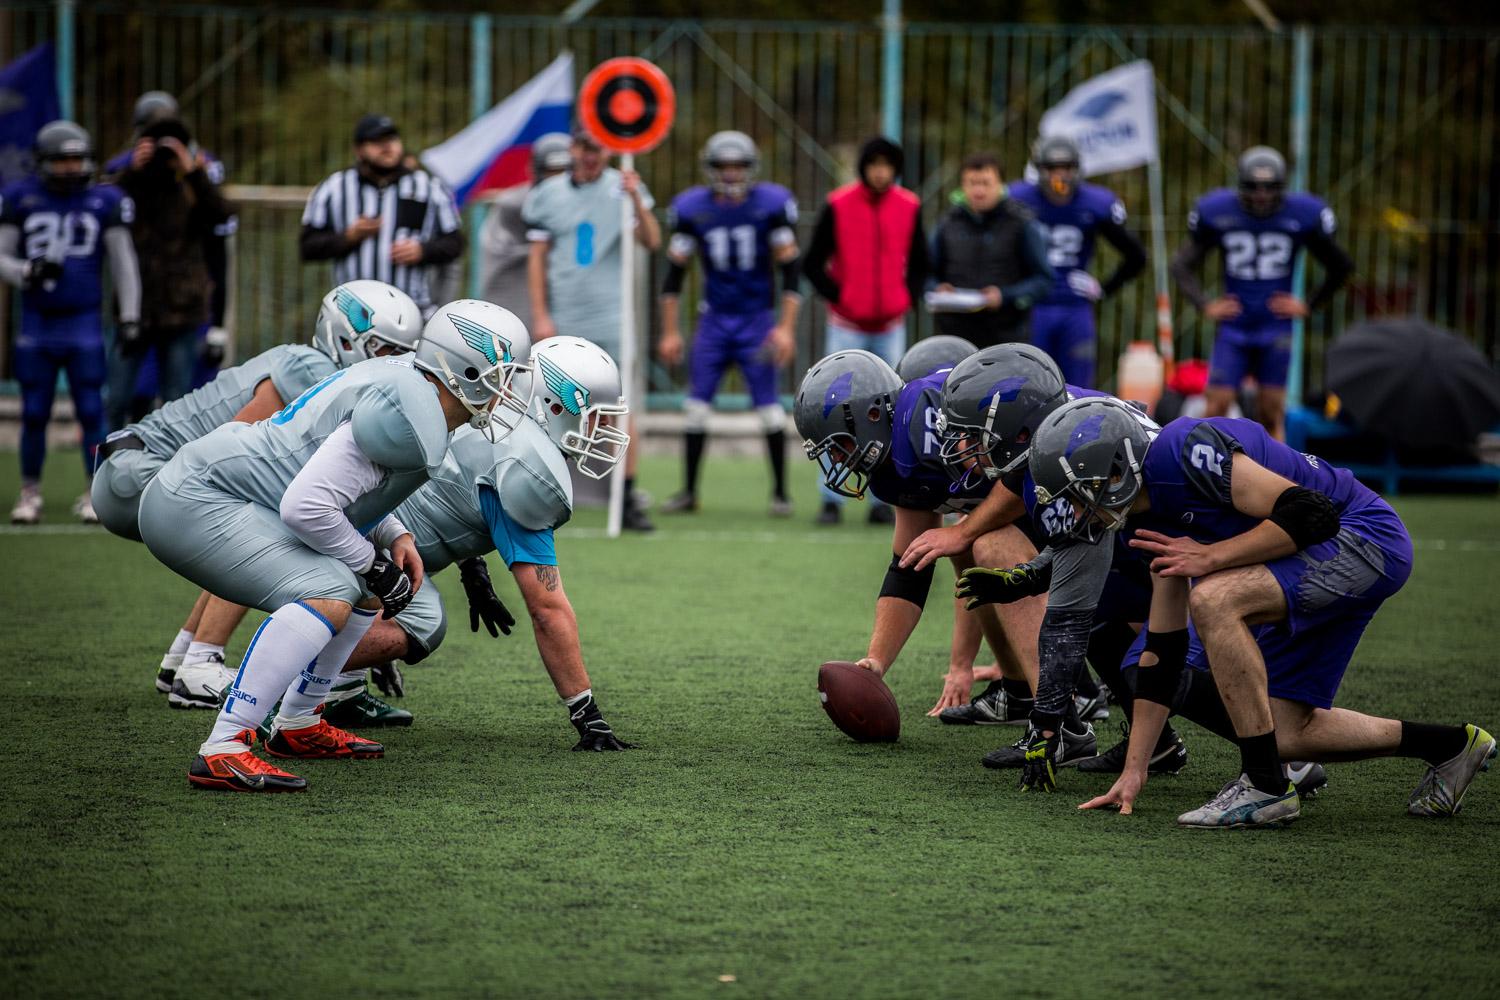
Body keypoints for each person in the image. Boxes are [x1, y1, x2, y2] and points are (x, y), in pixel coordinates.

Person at [1030, 398, 1494, 826]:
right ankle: (1451, 745)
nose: (1072, 511)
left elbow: (1311, 514)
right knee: (1285, 734)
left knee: (1214, 598)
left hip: (1363, 535)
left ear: (1117, 471)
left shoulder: (1183, 450)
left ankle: (1264, 786)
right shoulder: (1139, 516)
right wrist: (1134, 772)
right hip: (1309, 552)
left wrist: (1211, 558)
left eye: (1077, 493)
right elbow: (1164, 648)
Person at [138, 299, 533, 792]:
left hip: (230, 490)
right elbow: (306, 505)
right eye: (503, 375)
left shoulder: (413, 392)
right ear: (465, 370)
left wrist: (393, 535)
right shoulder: (407, 412)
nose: (509, 390)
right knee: (331, 588)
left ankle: (299, 721)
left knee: (366, 588)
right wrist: (371, 561)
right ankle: (225, 746)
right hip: (198, 498)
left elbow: (343, 484)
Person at [91, 281, 422, 711]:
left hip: (134, 468)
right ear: (346, 337)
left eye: (400, 354)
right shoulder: (312, 367)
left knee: (258, 520)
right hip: (137, 473)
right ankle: (202, 663)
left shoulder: (314, 365)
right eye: (384, 351)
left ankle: (184, 657)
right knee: (265, 523)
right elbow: (233, 457)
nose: (393, 365)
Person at [308, 337, 635, 748]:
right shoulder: (525, 466)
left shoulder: (490, 410)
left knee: (407, 598)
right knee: (422, 620)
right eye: (593, 416)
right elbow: (548, 609)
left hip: (359, 523)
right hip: (363, 542)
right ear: (554, 405)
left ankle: (341, 688)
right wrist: (588, 715)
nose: (602, 429)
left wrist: (472, 567)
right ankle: (287, 673)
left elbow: (457, 486)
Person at [792, 347, 1050, 725]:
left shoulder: (925, 420)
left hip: (1085, 488)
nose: (838, 459)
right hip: (1052, 504)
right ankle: (1023, 694)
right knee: (968, 545)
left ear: (872, 415)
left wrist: (964, 530)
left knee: (988, 544)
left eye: (839, 443)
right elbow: (909, 566)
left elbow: (1025, 472)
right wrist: (876, 661)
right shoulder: (894, 464)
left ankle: (1059, 713)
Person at [0, 121, 140, 524]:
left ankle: (92, 492)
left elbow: (124, 262)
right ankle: (29, 492)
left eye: (76, 159)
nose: (70, 168)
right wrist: (27, 270)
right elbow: (2, 256)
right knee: (34, 412)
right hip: (37, 323)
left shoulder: (104, 200)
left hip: (84, 322)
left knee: (92, 411)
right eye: (61, 161)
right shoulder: (20, 197)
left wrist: (130, 316)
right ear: (43, 163)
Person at [657, 131, 801, 518]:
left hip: (757, 320)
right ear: (711, 169)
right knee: (695, 409)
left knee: (770, 411)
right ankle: (688, 491)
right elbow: (673, 275)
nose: (732, 174)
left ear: (750, 169)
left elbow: (791, 271)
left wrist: (786, 327)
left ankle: (781, 494)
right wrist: (670, 330)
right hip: (714, 321)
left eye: (738, 166)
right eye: (724, 166)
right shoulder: (692, 209)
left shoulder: (771, 206)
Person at [524, 127, 661, 531]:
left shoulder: (623, 187)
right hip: (566, 314)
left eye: (598, 149)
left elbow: (651, 240)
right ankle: (542, 491)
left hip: (613, 317)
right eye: (584, 148)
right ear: (572, 149)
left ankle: (628, 494)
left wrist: (636, 197)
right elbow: (537, 257)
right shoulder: (548, 195)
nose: (591, 156)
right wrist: (541, 314)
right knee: (553, 404)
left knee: (619, 405)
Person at [1171, 146, 1353, 439]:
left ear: (1281, 187)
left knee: (1270, 410)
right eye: (1254, 187)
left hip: (1274, 326)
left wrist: (1309, 304)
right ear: (1241, 185)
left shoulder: (1302, 214)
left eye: (1269, 187)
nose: (1261, 195)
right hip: (1234, 325)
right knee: (1216, 407)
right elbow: (1181, 265)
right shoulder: (1218, 212)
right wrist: (1205, 305)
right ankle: (1206, 475)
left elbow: (1341, 265)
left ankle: (1277, 480)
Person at [802, 136, 928, 526]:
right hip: (846, 326)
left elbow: (923, 261)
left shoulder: (909, 206)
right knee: (832, 410)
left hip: (890, 325)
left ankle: (882, 497)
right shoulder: (839, 204)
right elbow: (811, 263)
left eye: (887, 165)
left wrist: (906, 297)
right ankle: (830, 498)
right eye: (873, 164)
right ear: (863, 167)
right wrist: (841, 296)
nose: (880, 172)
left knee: (892, 412)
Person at [103, 90, 237, 398]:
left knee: (180, 397)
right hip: (135, 306)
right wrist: (132, 174)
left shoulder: (198, 166)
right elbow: (105, 216)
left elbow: (219, 225)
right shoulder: (124, 169)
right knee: (127, 395)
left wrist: (192, 173)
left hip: (184, 305)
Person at [1008, 136, 1147, 388]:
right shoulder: (1017, 199)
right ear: (1039, 170)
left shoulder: (1095, 203)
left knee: (1079, 387)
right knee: (1028, 385)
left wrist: (1105, 288)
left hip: (1075, 305)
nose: (1060, 175)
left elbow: (1136, 255)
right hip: (1032, 306)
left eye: (1067, 167)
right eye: (1052, 168)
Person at [300, 114, 464, 319]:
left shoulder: (429, 187)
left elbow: (454, 243)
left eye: (392, 139)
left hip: (412, 311)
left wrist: (423, 250)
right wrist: (348, 237)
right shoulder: (334, 188)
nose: (387, 146)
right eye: (377, 141)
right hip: (351, 312)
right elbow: (307, 246)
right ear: (359, 150)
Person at [927, 152, 1054, 352]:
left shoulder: (1022, 223)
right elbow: (924, 272)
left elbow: (1043, 280)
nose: (979, 190)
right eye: (972, 183)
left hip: (1006, 340)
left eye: (986, 183)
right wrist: (936, 288)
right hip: (953, 339)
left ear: (1000, 185)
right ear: (963, 185)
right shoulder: (946, 223)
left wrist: (1005, 296)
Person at [479, 133, 572, 326]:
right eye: (551, 173)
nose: (557, 182)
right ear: (536, 171)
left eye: (564, 172)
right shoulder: (514, 205)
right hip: (515, 299)